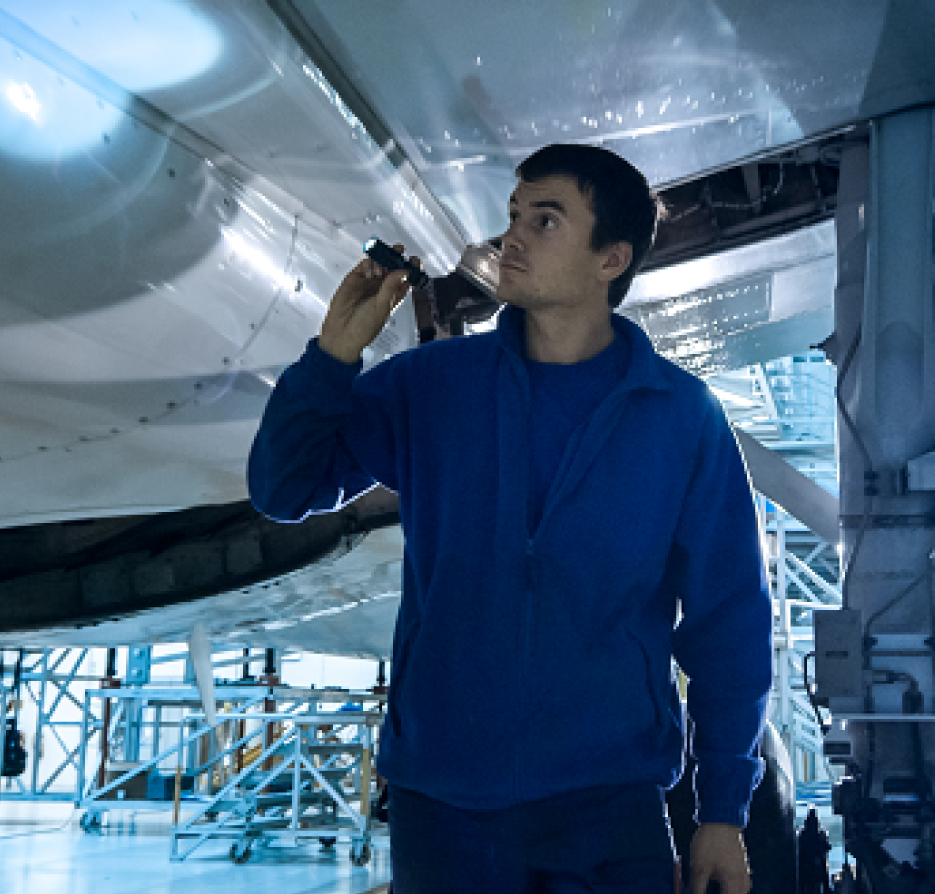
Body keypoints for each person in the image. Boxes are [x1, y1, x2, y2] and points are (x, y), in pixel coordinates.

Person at [248, 143, 772, 894]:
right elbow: (284, 488)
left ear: (611, 259)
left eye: (546, 220)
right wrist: (333, 355)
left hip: (610, 809)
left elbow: (730, 624)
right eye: (515, 215)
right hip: (444, 811)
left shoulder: (682, 419)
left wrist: (722, 810)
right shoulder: (431, 389)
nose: (512, 237)